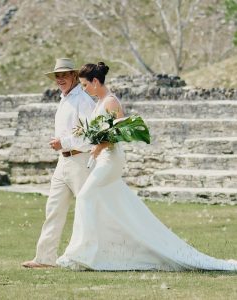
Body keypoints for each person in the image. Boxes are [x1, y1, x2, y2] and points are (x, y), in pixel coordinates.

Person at [56, 62, 237, 271]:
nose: (84, 89)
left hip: (110, 159)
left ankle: (81, 252)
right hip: (101, 158)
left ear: (95, 82)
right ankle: (105, 250)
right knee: (109, 205)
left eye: (86, 85)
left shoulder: (110, 102)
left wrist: (101, 145)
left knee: (86, 197)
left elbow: (121, 131)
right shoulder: (99, 102)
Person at [22, 58, 95, 268]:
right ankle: (45, 258)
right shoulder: (64, 99)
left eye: (64, 75)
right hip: (63, 162)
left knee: (86, 210)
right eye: (57, 76)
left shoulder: (84, 100)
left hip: (80, 161)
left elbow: (89, 136)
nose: (60, 79)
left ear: (73, 76)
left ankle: (87, 256)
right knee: (53, 208)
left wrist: (63, 142)